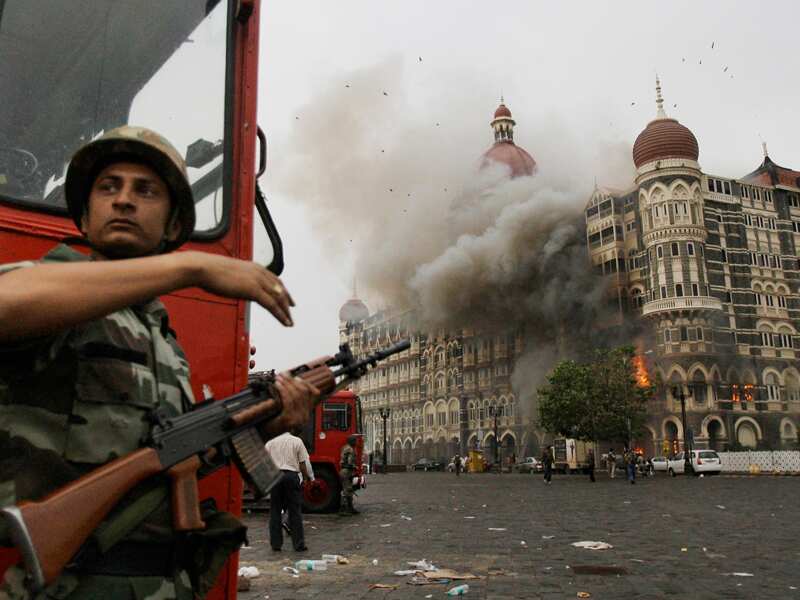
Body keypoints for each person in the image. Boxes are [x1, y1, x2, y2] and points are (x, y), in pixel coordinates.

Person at [0, 127, 320, 599]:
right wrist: (191, 266)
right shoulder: (55, 290)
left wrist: (268, 424)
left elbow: (175, 459)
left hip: (165, 583)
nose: (124, 200)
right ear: (84, 218)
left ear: (172, 226)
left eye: (145, 190)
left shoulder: (163, 339)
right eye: (108, 187)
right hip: (78, 585)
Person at [265, 427, 312, 550]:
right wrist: (306, 478)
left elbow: (265, 462)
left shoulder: (270, 443)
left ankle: (276, 544)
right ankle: (298, 544)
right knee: (295, 511)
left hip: (275, 476)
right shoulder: (297, 441)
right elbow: (303, 463)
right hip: (291, 476)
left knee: (275, 511)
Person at [339, 435, 359, 515]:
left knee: (349, 490)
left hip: (344, 471)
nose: (356, 442)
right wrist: (355, 467)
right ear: (352, 441)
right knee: (347, 490)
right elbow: (350, 462)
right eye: (355, 441)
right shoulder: (350, 450)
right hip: (347, 471)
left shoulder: (345, 447)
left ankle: (350, 508)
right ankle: (343, 510)